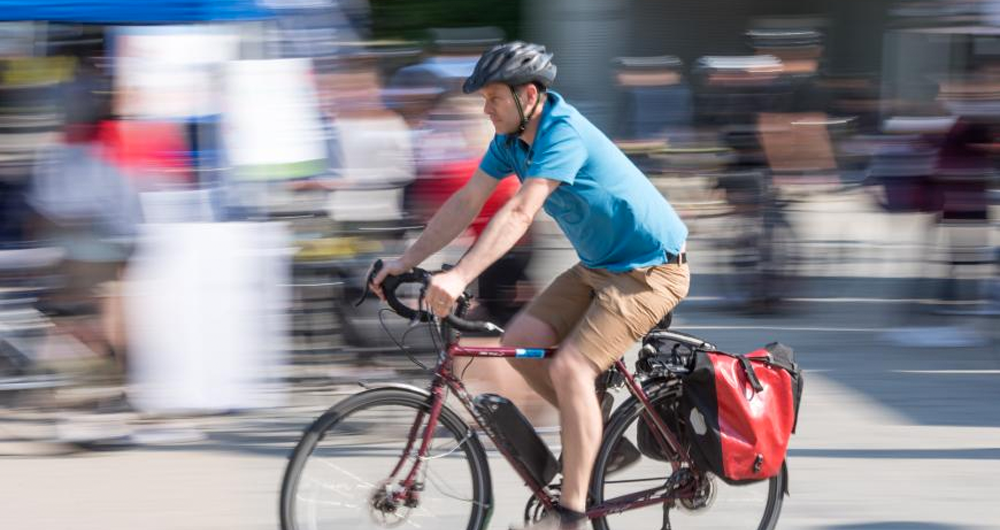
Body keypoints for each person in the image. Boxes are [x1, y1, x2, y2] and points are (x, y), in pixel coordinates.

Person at [371, 41, 690, 530]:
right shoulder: (510, 140)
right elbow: (466, 202)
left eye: (494, 98)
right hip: (598, 266)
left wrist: (458, 275)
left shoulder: (562, 132)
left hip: (651, 270)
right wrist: (407, 260)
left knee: (569, 371)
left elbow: (520, 211)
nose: (485, 108)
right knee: (519, 342)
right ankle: (599, 437)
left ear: (530, 95)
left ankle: (572, 513)